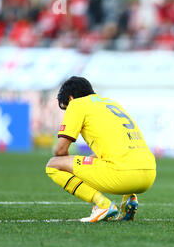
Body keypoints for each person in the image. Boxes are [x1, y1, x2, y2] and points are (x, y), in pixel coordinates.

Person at [45, 76, 156, 222]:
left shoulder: (77, 104)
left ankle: (102, 204)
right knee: (99, 158)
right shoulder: (111, 103)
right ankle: (128, 200)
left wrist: (72, 169)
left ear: (70, 98)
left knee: (54, 165)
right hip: (149, 175)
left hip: (123, 177)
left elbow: (60, 151)